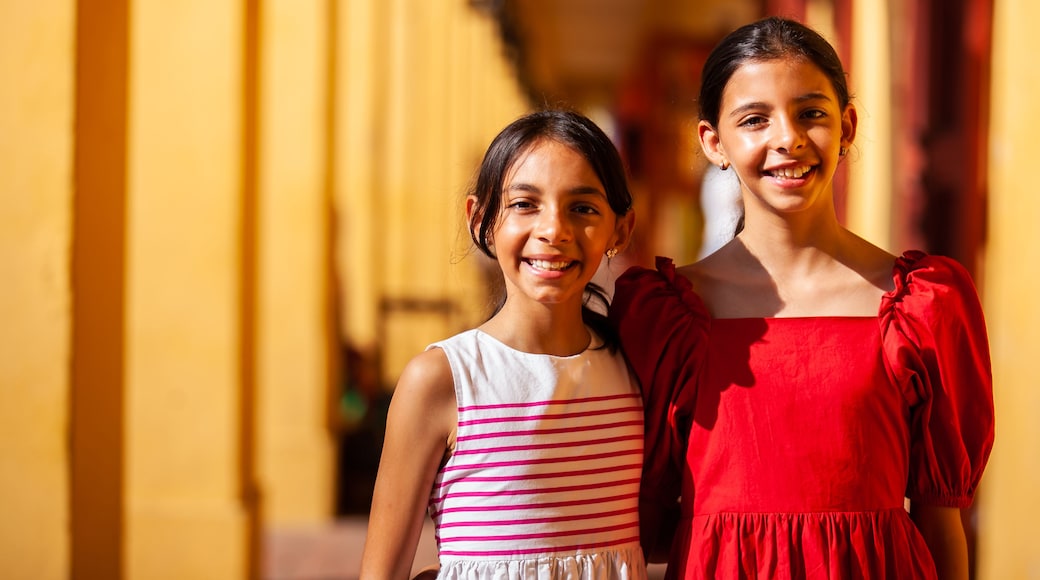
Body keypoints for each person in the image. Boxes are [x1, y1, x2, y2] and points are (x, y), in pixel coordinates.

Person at [609, 16, 994, 579]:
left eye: (811, 113)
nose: (787, 138)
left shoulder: (919, 306)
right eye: (755, 119)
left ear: (848, 125)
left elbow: (942, 523)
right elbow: (640, 524)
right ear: (713, 142)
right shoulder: (666, 317)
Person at [359, 109, 646, 580]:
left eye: (583, 208)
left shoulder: (634, 371)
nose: (554, 231)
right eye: (524, 204)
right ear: (482, 219)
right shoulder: (444, 379)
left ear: (622, 229)